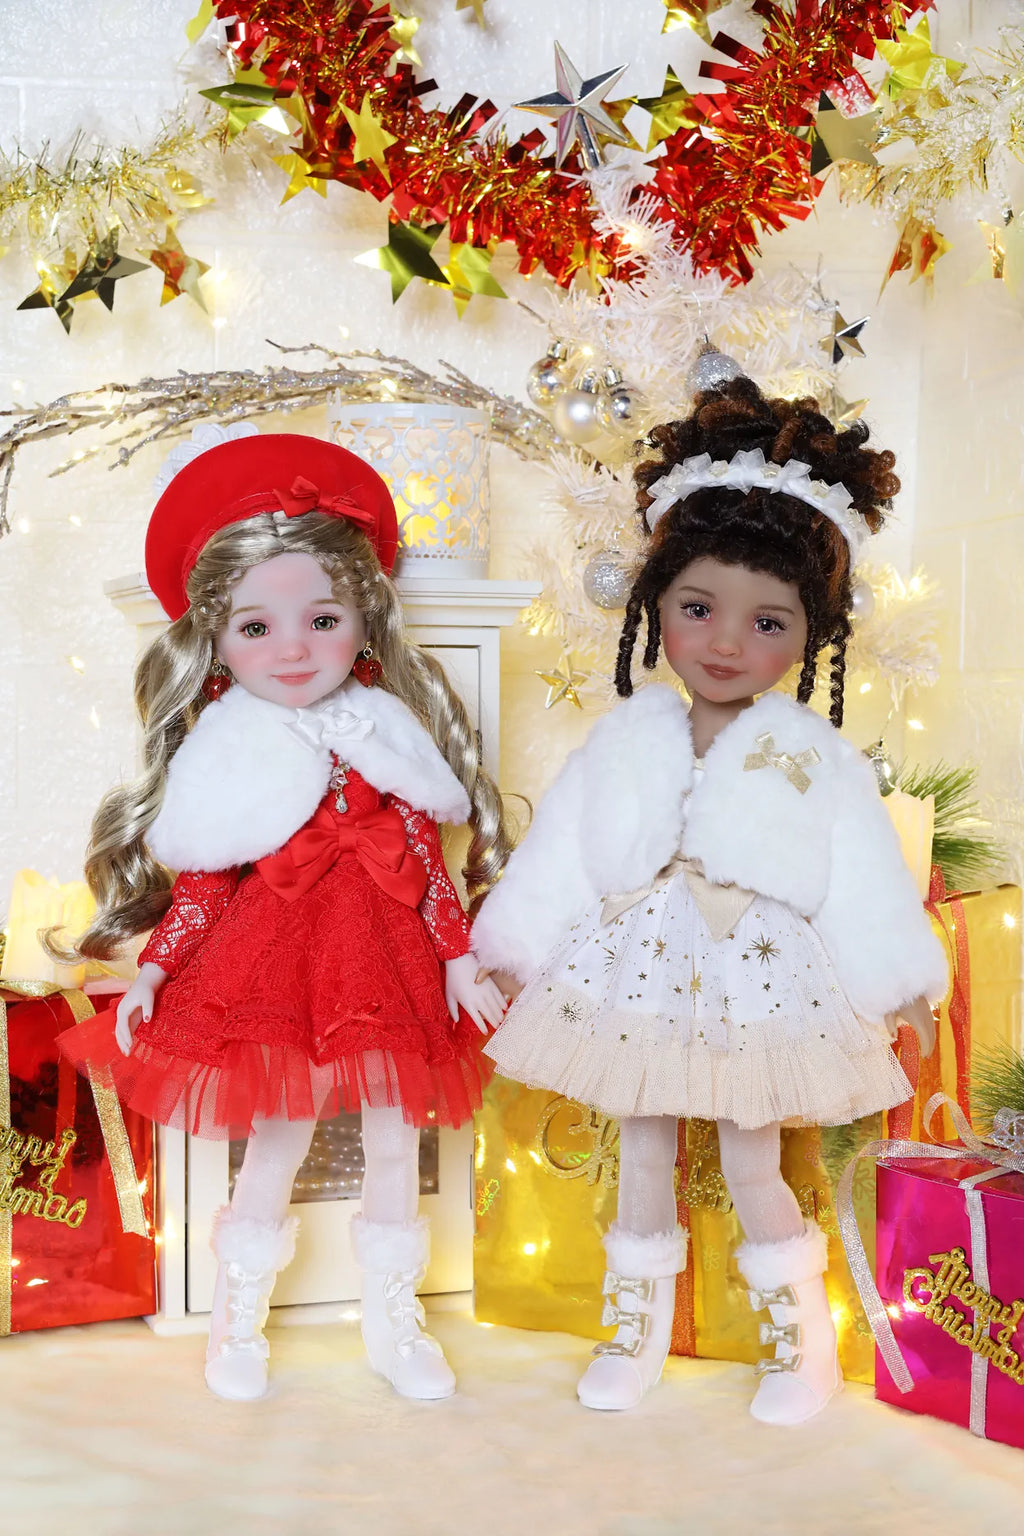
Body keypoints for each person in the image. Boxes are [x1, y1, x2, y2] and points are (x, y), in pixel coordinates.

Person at [471, 376, 947, 1426]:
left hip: (761, 972)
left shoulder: (811, 754)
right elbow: (561, 854)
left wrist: (901, 984)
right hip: (636, 958)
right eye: (697, 609)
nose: (726, 642)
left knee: (748, 1152)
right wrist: (509, 945)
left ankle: (800, 1341)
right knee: (639, 1140)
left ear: (808, 637)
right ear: (654, 612)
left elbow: (864, 876)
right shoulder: (629, 736)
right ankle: (633, 1327)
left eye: (766, 621)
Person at [56, 424, 509, 1403]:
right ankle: (238, 1319)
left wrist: (460, 957)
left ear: (363, 617)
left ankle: (394, 1319)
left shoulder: (385, 727)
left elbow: (424, 855)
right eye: (256, 628)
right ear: (216, 641)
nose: (294, 649)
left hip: (387, 959)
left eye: (323, 619)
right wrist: (154, 969)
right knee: (278, 1134)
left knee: (398, 1134)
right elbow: (205, 880)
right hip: (276, 962)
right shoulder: (229, 742)